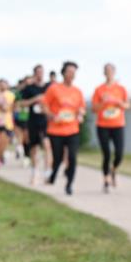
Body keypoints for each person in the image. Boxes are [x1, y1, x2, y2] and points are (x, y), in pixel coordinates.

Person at [42, 61, 85, 195]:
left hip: (72, 129)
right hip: (56, 130)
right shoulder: (54, 89)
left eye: (74, 72)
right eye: (69, 72)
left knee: (72, 157)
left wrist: (81, 115)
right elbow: (44, 105)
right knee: (58, 158)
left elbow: (81, 108)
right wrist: (51, 115)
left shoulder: (77, 91)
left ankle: (69, 185)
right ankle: (53, 174)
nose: (72, 75)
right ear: (63, 73)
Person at [91, 63, 130, 193]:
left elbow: (127, 105)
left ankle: (113, 169)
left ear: (114, 72)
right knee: (106, 153)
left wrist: (118, 102)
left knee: (119, 153)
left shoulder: (121, 89)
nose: (108, 73)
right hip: (103, 125)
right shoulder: (99, 90)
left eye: (110, 70)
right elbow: (94, 109)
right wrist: (103, 102)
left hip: (118, 124)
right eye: (106, 70)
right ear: (104, 73)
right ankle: (106, 179)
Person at [20, 65, 52, 185]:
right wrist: (35, 99)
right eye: (38, 72)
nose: (40, 74)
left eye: (42, 72)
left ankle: (47, 172)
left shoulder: (49, 87)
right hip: (33, 120)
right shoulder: (29, 88)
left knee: (47, 145)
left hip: (45, 121)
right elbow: (21, 103)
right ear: (34, 73)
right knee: (34, 148)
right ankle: (34, 172)